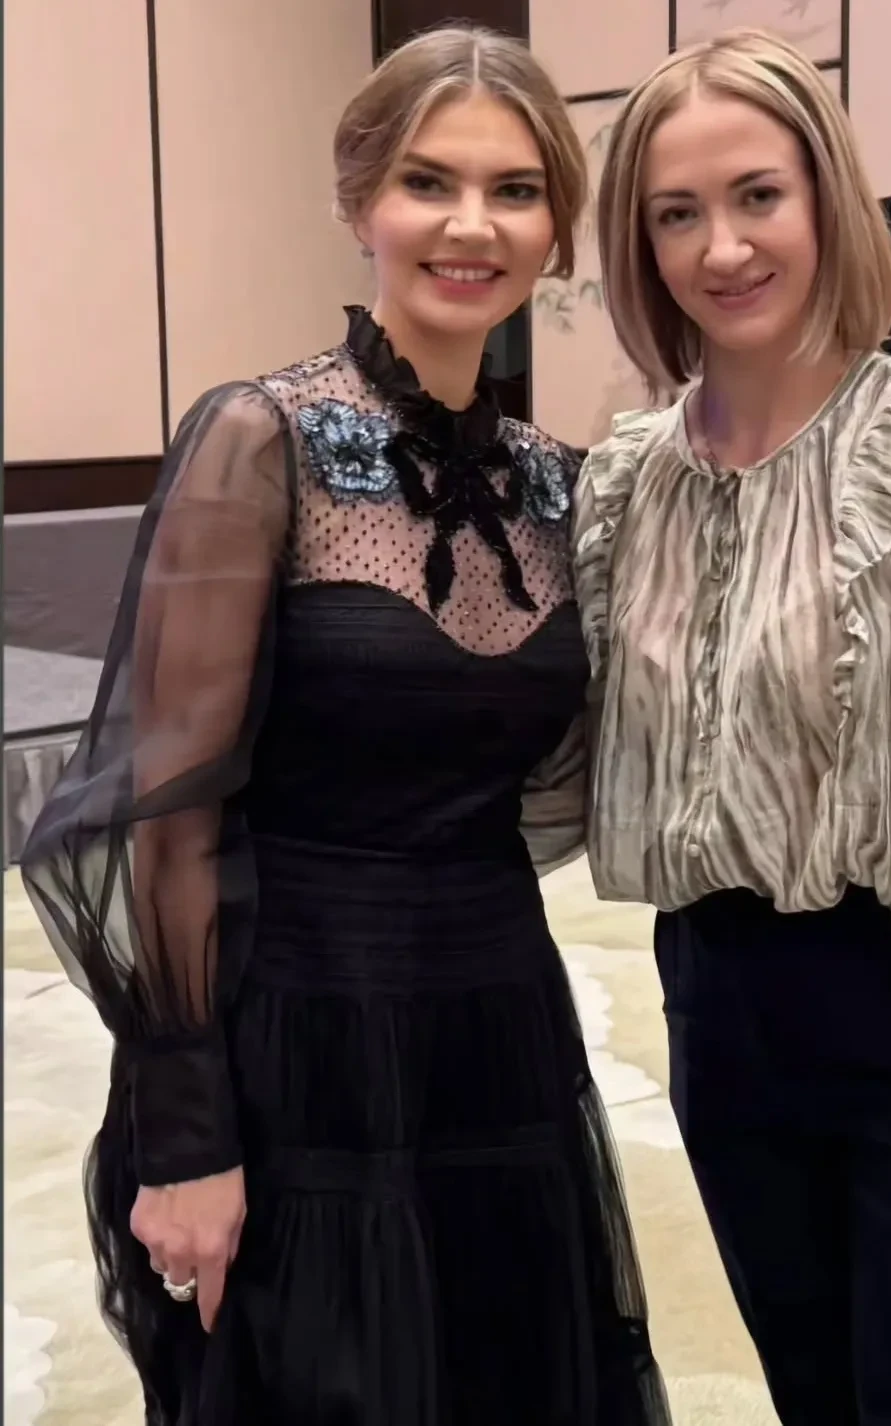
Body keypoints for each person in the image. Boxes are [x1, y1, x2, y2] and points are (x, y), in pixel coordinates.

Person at [21, 26, 670, 1426]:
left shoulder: (566, 487)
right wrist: (184, 1127)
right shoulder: (259, 440)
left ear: (556, 231)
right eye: (430, 181)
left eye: (514, 190)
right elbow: (168, 806)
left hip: (496, 1022)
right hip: (293, 1033)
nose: (470, 224)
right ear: (360, 201)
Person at [573, 28, 891, 1426]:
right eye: (677, 213)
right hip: (718, 1010)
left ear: (828, 201)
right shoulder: (630, 483)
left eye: (758, 196)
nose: (723, 247)